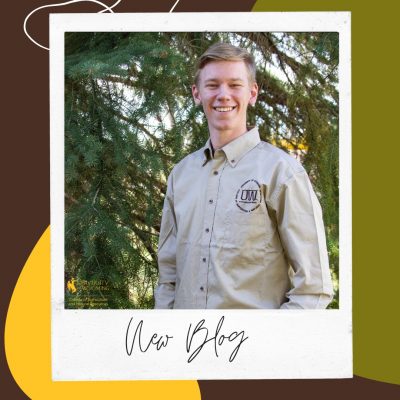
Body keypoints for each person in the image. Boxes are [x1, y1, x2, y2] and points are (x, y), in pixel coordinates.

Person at [154, 42, 333, 309]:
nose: (223, 95)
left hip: (254, 348)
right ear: (197, 93)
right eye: (212, 85)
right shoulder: (181, 176)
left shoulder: (282, 173)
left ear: (252, 93)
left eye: (235, 85)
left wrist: (268, 344)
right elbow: (168, 275)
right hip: (186, 345)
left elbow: (313, 288)